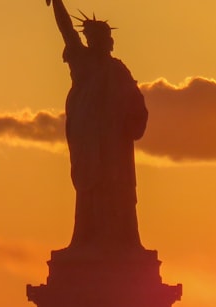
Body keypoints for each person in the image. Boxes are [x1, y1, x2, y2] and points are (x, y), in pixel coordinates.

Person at [46, 0, 148, 252]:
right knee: (92, 187)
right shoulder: (82, 61)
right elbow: (66, 30)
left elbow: (135, 102)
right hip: (90, 139)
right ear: (93, 40)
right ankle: (88, 239)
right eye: (102, 36)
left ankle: (122, 240)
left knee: (118, 189)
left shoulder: (118, 69)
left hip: (115, 142)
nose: (108, 41)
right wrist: (57, 2)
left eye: (108, 37)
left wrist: (135, 117)